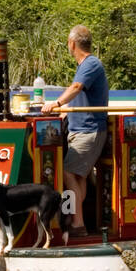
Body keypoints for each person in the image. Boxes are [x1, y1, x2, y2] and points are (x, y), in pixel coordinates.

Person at [42, 25, 108, 237]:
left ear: (72, 44)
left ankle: (77, 224)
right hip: (80, 129)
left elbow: (77, 88)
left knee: (68, 173)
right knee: (78, 178)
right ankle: (73, 220)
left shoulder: (91, 64)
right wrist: (65, 113)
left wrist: (57, 103)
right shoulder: (85, 66)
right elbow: (82, 96)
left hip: (88, 131)